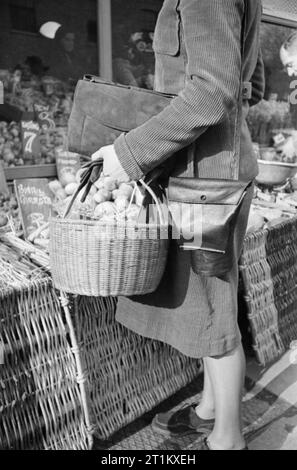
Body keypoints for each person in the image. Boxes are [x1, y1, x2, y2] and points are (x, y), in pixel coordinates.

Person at [92, 0, 265, 450]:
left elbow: (211, 92)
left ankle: (227, 440)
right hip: (212, 166)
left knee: (212, 309)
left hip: (206, 177)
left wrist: (130, 153)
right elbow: (251, 86)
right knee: (213, 299)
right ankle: (210, 410)